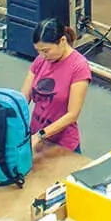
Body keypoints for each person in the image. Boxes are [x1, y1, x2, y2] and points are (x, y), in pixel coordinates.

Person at [21, 20, 91, 153]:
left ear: (62, 41)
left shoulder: (79, 67)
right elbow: (23, 98)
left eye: (46, 51)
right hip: (35, 138)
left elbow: (72, 115)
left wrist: (41, 135)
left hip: (62, 144)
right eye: (38, 51)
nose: (42, 55)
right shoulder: (41, 60)